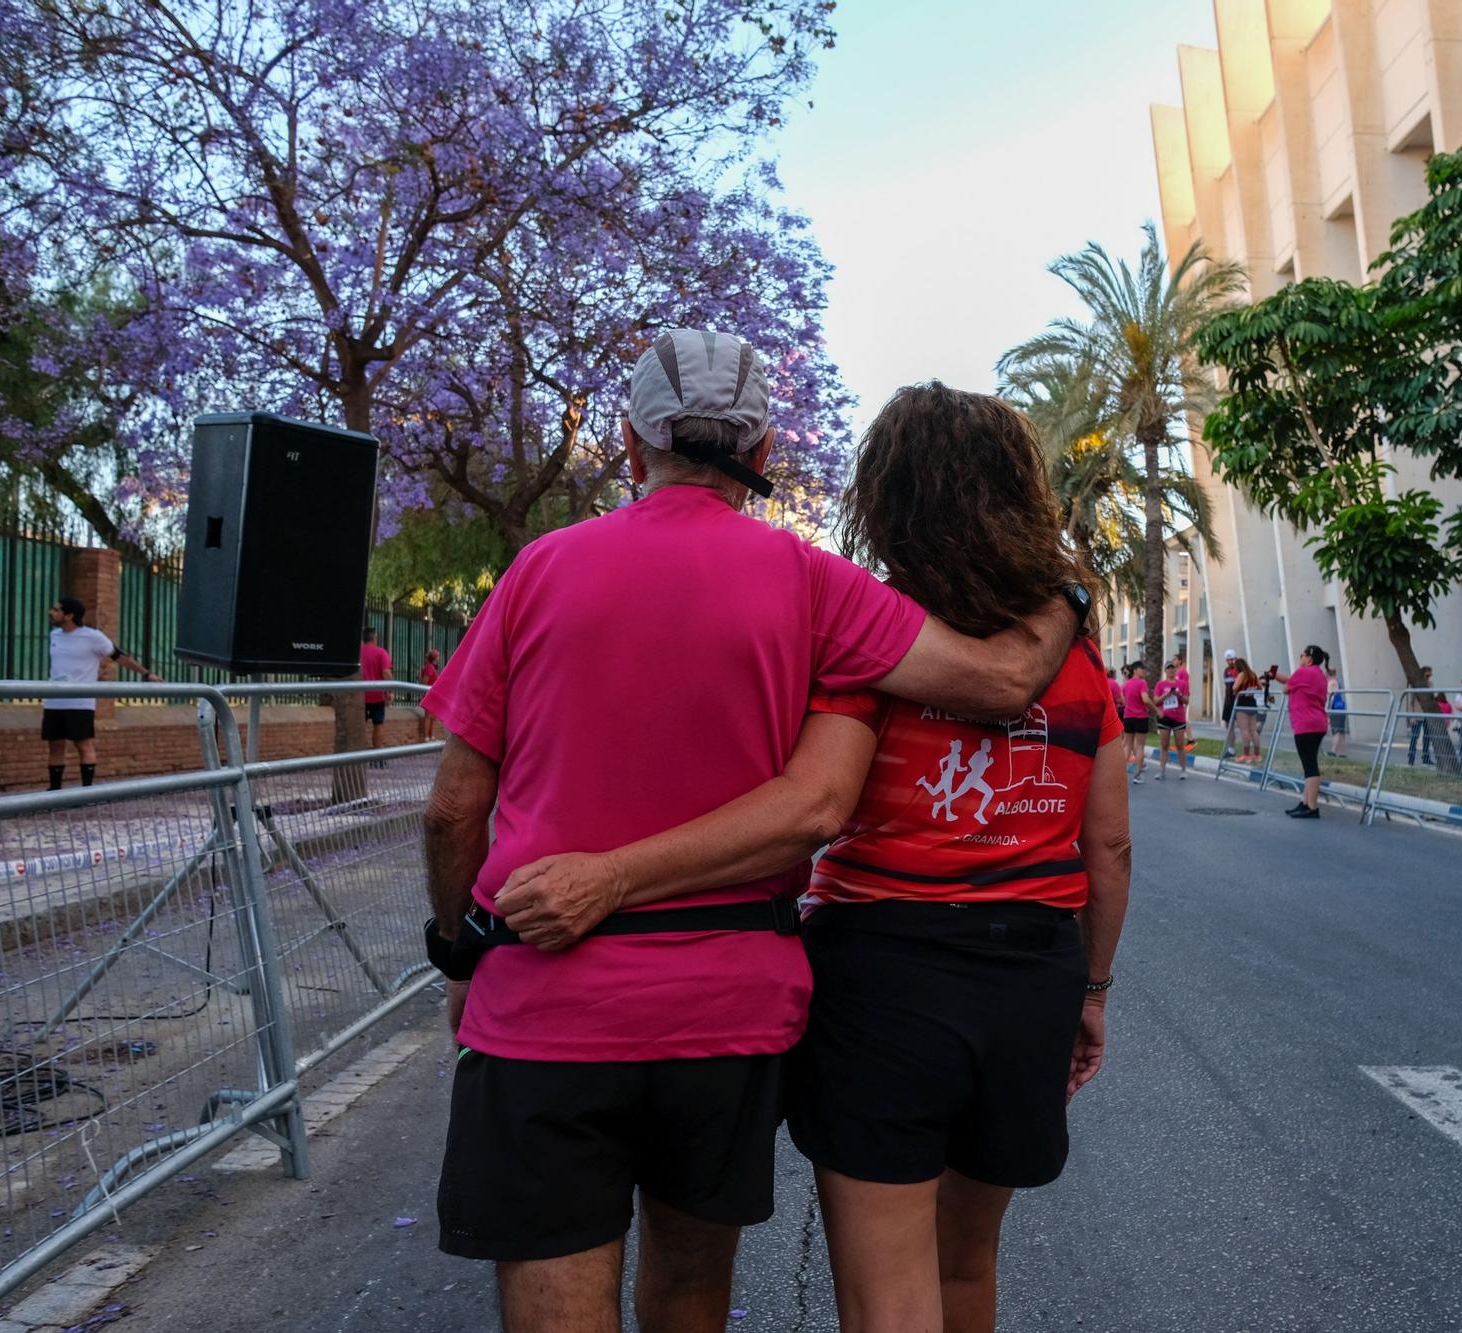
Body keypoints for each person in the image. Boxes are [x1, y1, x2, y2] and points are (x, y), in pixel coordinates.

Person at [418, 340, 1082, 1333]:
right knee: (688, 1285)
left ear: (629, 446)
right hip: (727, 1009)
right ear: (762, 444)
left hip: (543, 998)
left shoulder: (538, 570)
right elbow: (995, 682)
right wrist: (1063, 602)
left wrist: (461, 947)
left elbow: (450, 807)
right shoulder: (815, 585)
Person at [42, 596, 161, 791]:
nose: (52, 613)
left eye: (56, 610)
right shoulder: (54, 635)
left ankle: (87, 790)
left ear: (69, 615)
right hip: (54, 701)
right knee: (55, 746)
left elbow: (118, 656)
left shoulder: (92, 636)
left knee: (83, 745)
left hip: (80, 703)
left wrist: (146, 674)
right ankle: (55, 790)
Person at [1284, 646, 1331, 819]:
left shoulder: (1303, 672)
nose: (1300, 657)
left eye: (1302, 654)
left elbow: (1286, 688)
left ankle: (1312, 807)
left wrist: (1280, 680)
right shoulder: (1319, 675)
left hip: (1305, 724)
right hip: (1317, 723)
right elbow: (1292, 684)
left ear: (1309, 658)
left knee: (1310, 766)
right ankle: (1305, 802)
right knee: (1309, 764)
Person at [1153, 661, 1187, 781]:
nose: (1171, 670)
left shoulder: (1182, 684)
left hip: (1178, 717)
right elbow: (1156, 701)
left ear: (1175, 670)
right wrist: (1166, 695)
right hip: (1165, 718)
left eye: (1173, 668)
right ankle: (1162, 771)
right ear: (1165, 671)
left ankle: (1183, 770)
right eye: (1168, 668)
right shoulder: (1160, 684)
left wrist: (1178, 695)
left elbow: (1187, 700)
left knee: (1180, 745)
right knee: (1164, 745)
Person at [360, 628, 392, 752]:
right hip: (377, 695)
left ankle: (359, 754)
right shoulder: (381, 652)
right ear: (374, 638)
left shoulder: (357, 653)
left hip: (359, 695)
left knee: (360, 725)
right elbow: (386, 673)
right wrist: (390, 691)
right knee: (378, 725)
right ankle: (377, 755)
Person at [1119, 661, 1151, 783]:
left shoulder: (1125, 685)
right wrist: (1154, 709)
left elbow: (1124, 700)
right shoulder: (1142, 683)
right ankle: (1138, 775)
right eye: (1142, 669)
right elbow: (1145, 699)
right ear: (1136, 670)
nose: (1144, 671)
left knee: (1127, 746)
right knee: (1140, 747)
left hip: (1128, 717)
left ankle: (1120, 774)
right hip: (1141, 717)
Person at [1226, 657, 1262, 763]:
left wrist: (1240, 688)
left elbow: (1234, 687)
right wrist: (1251, 689)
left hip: (1242, 703)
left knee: (1245, 730)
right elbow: (1260, 687)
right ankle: (1257, 755)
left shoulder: (1242, 675)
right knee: (1253, 730)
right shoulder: (1253, 674)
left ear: (1239, 667)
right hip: (1252, 703)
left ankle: (1246, 755)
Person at [1407, 665, 1435, 765]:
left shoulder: (1430, 684)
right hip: (1417, 714)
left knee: (1427, 737)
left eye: (1430, 675)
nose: (1429, 677)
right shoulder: (1415, 685)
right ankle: (1411, 757)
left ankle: (1426, 757)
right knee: (1414, 736)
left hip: (1427, 714)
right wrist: (1412, 716)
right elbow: (1411, 702)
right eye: (1427, 675)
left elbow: (1432, 696)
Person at [419, 647, 443, 742]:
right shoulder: (429, 668)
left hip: (433, 695)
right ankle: (426, 737)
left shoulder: (432, 668)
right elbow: (424, 682)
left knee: (432, 717)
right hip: (429, 695)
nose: (439, 658)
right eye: (438, 656)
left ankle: (430, 735)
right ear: (435, 658)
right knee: (428, 716)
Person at [1326, 668, 1349, 757]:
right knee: (1341, 731)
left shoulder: (1332, 683)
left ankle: (1334, 751)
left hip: (1335, 708)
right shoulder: (1336, 682)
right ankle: (1341, 752)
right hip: (1340, 708)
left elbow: (1330, 697)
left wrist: (1327, 710)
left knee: (1336, 731)